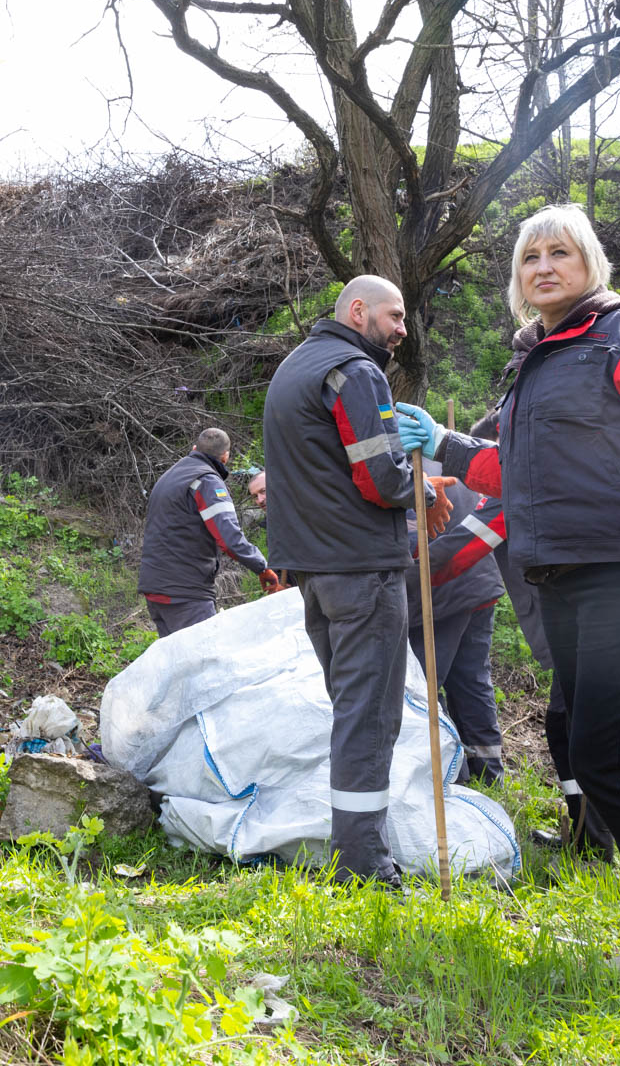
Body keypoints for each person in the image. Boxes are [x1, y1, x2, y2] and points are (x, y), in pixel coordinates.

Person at [397, 205, 620, 1023]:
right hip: (560, 578)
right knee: (590, 756)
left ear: (591, 263)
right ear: (518, 280)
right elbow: (512, 471)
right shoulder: (540, 362)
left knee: (616, 765)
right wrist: (444, 443)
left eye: (561, 252)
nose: (544, 266)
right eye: (530, 257)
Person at [261, 275, 446, 887]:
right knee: (370, 716)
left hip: (314, 571)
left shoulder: (294, 367)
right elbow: (380, 478)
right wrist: (424, 490)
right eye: (394, 316)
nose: (401, 330)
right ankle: (364, 865)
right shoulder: (356, 372)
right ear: (358, 310)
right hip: (362, 569)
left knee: (351, 708)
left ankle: (357, 846)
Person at [467, 409, 613, 857]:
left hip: (593, 617)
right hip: (576, 619)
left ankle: (597, 842)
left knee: (577, 729)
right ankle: (588, 833)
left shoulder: (523, 483)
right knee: (565, 726)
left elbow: (463, 549)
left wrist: (408, 581)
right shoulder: (533, 472)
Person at [404, 467, 504, 785]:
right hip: (477, 583)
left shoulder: (400, 473)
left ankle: (452, 775)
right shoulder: (441, 461)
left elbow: (408, 548)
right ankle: (487, 776)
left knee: (424, 686)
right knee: (472, 680)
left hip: (443, 594)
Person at [137, 428, 282, 636]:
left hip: (156, 587)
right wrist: (262, 567)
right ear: (226, 456)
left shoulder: (170, 476)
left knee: (178, 663)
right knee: (205, 660)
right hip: (185, 593)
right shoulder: (207, 481)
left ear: (194, 448)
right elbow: (229, 539)